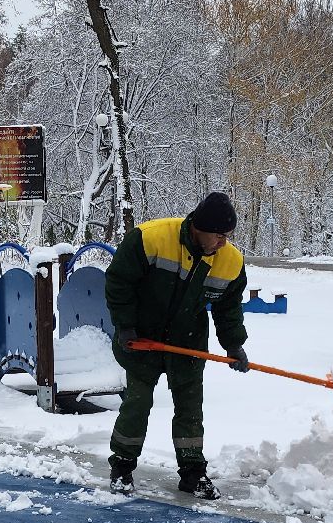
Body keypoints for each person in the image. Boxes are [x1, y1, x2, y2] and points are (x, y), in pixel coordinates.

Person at [105, 191, 249, 499]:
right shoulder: (151, 238)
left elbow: (229, 306)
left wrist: (234, 344)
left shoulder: (230, 261)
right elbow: (119, 281)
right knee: (138, 403)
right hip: (142, 338)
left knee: (190, 408)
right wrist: (125, 326)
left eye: (227, 236)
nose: (223, 242)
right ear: (199, 227)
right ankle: (122, 466)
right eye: (219, 235)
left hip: (188, 341)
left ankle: (193, 473)